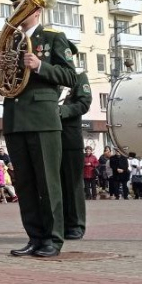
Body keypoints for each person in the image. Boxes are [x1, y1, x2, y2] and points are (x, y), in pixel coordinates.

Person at [0, 0, 77, 257]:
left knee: (48, 182)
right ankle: (34, 236)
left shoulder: (53, 38)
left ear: (36, 10)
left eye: (23, 6)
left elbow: (70, 76)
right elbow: (3, 80)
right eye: (16, 6)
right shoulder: (11, 40)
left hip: (42, 118)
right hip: (15, 118)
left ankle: (52, 238)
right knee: (25, 183)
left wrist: (40, 66)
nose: (18, 11)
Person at [59, 66, 92, 240]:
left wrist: (62, 111)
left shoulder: (77, 76)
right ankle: (58, 224)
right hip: (47, 135)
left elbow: (84, 102)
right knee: (54, 183)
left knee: (72, 183)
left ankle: (75, 224)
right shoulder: (47, 72)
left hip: (69, 136)